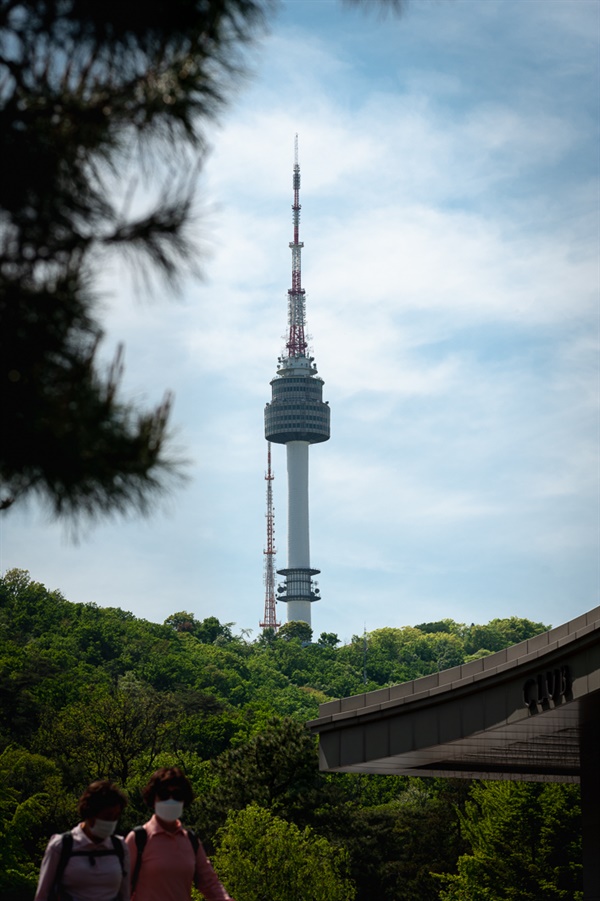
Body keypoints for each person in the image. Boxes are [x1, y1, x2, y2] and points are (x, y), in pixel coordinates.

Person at [125, 766, 234, 901]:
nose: (171, 800)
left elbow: (210, 884)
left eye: (177, 795)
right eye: (164, 795)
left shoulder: (191, 841)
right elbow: (122, 889)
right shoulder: (139, 839)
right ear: (153, 798)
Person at [35, 779, 130, 901]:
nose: (111, 822)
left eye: (116, 817)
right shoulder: (61, 846)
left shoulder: (119, 847)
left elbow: (125, 894)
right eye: (107, 816)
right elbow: (43, 895)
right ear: (90, 812)